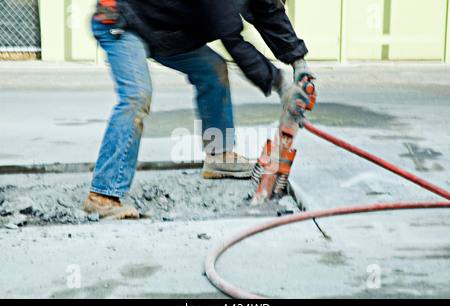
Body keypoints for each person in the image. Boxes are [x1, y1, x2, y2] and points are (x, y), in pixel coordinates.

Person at [83, 0, 314, 220]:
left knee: (212, 69)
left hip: (163, 30)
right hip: (122, 19)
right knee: (136, 95)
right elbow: (232, 39)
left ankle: (219, 155)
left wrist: (298, 62)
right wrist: (281, 85)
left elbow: (269, 11)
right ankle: (102, 195)